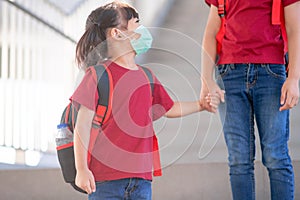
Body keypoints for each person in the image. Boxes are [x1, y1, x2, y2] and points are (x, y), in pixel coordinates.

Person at [71, 2, 221, 199]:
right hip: (105, 180)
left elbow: (169, 108)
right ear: (117, 34)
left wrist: (200, 105)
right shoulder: (97, 75)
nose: (143, 31)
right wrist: (81, 170)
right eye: (136, 24)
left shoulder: (146, 76)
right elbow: (81, 126)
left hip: (141, 180)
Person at [200, 0, 300, 199]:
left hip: (271, 74)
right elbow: (211, 31)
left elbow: (294, 28)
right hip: (229, 75)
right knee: (239, 159)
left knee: (275, 156)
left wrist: (294, 78)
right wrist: (206, 80)